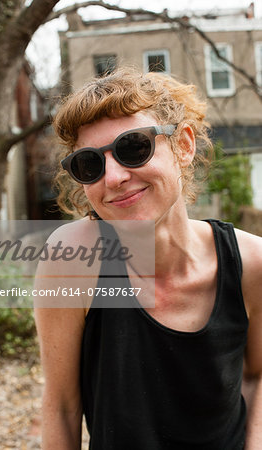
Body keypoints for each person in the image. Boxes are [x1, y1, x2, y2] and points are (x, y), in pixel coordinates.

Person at [34, 67, 262, 450]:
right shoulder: (72, 262)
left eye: (134, 147)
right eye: (90, 164)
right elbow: (62, 407)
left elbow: (257, 376)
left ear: (183, 146)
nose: (114, 177)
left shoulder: (251, 263)